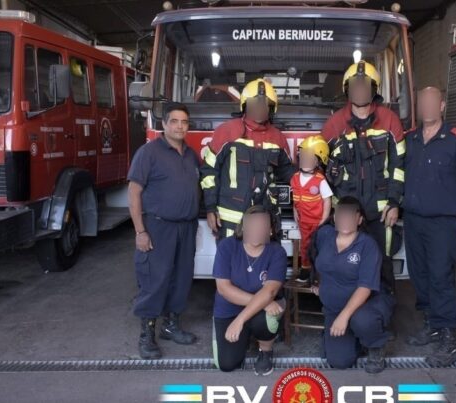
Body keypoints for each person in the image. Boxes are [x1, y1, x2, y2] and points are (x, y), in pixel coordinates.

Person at [402, 87, 456, 367]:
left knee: (441, 278)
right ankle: (432, 326)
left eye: (431, 102)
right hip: (413, 221)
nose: (426, 106)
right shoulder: (410, 139)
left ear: (442, 105)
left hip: (443, 224)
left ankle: (449, 340)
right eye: (422, 102)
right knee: (420, 276)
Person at [321, 60, 405, 298]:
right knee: (345, 262)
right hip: (347, 209)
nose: (360, 91)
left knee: (382, 261)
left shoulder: (389, 120)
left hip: (381, 210)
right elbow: (321, 166)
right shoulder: (335, 124)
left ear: (374, 90)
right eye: (355, 86)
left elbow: (399, 167)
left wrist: (394, 203)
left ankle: (383, 310)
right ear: (347, 90)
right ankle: (347, 308)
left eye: (365, 86)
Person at [127, 102, 200, 359]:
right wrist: (140, 231)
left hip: (187, 227)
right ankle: (147, 335)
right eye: (175, 121)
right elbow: (134, 193)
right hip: (158, 227)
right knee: (154, 279)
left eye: (184, 122)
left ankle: (171, 326)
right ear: (164, 124)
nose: (180, 126)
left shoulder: (191, 155)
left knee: (181, 279)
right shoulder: (148, 152)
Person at [200, 78, 296, 240]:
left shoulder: (278, 138)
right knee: (230, 257)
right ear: (245, 105)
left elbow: (287, 172)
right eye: (255, 104)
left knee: (267, 256)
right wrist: (210, 208)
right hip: (231, 221)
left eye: (264, 105)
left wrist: (312, 179)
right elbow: (209, 171)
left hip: (265, 219)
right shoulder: (227, 131)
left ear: (271, 108)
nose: (260, 109)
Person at [311, 196, 394, 374]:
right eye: (342, 215)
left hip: (366, 306)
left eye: (350, 216)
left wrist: (343, 317)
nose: (345, 220)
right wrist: (317, 282)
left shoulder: (368, 245)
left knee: (362, 320)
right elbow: (317, 259)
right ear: (335, 217)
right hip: (334, 309)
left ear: (359, 219)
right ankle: (356, 340)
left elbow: (365, 288)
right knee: (339, 361)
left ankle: (376, 346)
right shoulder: (325, 235)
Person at [212, 205, 288, 375]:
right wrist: (263, 303)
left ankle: (265, 350)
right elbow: (223, 289)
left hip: (260, 312)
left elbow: (270, 292)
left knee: (269, 315)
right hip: (229, 308)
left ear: (270, 230)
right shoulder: (227, 246)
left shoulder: (277, 252)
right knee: (226, 364)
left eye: (262, 226)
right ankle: (244, 336)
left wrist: (239, 320)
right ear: (243, 227)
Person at [290, 135, 333, 282]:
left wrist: (324, 220)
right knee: (304, 246)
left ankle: (319, 273)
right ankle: (306, 270)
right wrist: (295, 212)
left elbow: (327, 200)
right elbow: (295, 198)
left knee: (318, 246)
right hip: (303, 221)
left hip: (317, 222)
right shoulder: (294, 178)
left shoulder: (320, 180)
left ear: (319, 161)